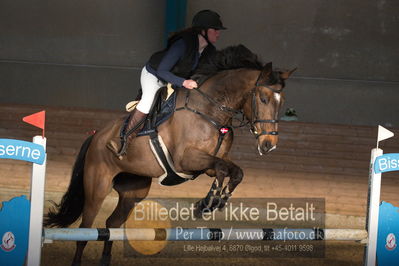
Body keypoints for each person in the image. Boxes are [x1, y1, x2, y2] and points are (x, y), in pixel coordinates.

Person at [108, 9, 227, 157]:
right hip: (154, 75)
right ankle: (122, 140)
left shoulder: (209, 51)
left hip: (175, 81)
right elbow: (162, 71)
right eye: (215, 29)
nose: (218, 33)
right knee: (148, 101)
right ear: (203, 31)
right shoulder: (183, 44)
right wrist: (184, 82)